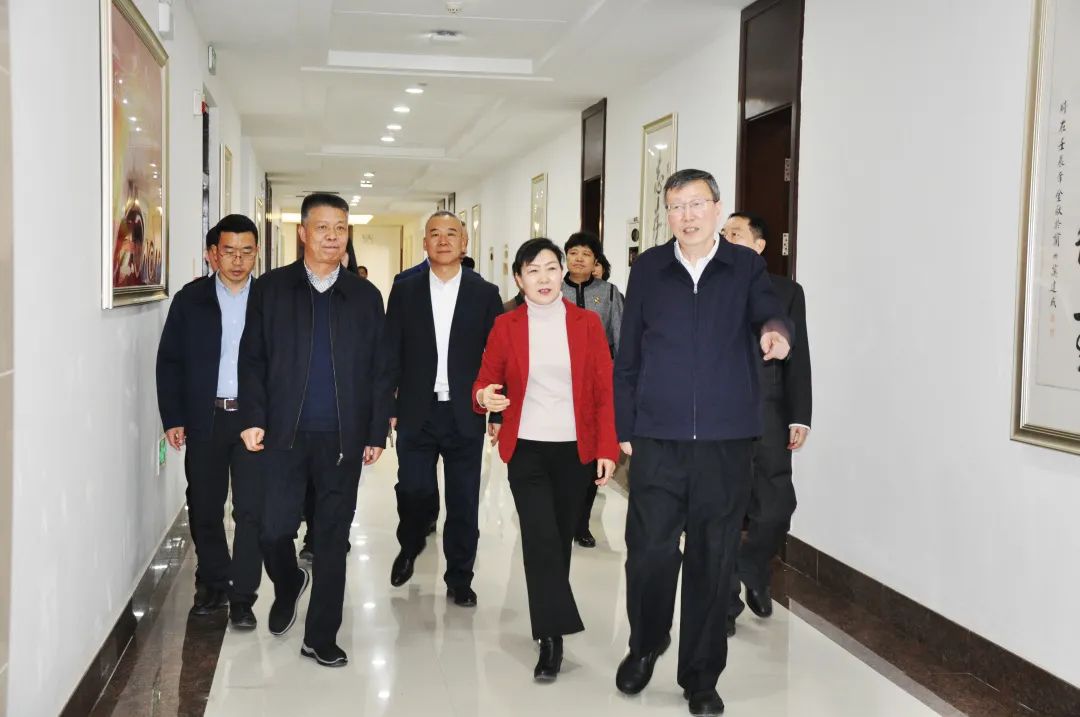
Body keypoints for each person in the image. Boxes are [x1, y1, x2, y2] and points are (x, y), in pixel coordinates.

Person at [613, 169, 792, 717]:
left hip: (725, 441)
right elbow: (629, 352)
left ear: (716, 208)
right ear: (666, 214)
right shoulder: (649, 268)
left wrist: (775, 331)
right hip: (657, 438)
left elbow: (769, 309)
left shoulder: (744, 266)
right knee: (649, 553)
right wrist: (625, 426)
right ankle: (646, 644)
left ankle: (701, 675)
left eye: (696, 204)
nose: (686, 216)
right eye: (675, 206)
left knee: (713, 561)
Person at [238, 193, 387, 668]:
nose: (332, 237)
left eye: (340, 228)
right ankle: (288, 583)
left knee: (332, 540)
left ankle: (321, 636)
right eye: (322, 227)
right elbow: (252, 359)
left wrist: (376, 431)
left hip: (342, 438)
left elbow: (380, 370)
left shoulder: (365, 296)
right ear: (302, 232)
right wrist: (253, 417)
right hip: (284, 434)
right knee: (272, 530)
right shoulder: (271, 289)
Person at [473, 238, 619, 682]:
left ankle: (549, 621)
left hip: (575, 449)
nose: (544, 278)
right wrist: (485, 398)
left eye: (551, 268)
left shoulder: (587, 324)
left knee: (558, 541)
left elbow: (604, 391)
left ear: (563, 274)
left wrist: (607, 449)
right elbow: (484, 383)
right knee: (538, 537)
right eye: (533, 270)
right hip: (527, 448)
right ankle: (552, 636)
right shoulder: (506, 325)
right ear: (519, 279)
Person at [377, 211, 503, 606]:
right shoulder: (405, 289)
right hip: (417, 409)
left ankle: (460, 577)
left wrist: (498, 413)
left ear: (464, 243)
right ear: (425, 243)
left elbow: (498, 357)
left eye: (452, 234)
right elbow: (390, 351)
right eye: (435, 234)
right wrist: (388, 404)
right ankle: (410, 542)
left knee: (464, 500)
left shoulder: (485, 293)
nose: (443, 240)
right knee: (413, 489)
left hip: (466, 411)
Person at [156, 214, 264, 629]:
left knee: (251, 509)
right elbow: (170, 361)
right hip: (206, 418)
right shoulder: (191, 299)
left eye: (246, 252)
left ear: (256, 253)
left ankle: (243, 595)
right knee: (204, 504)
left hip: (254, 419)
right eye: (229, 251)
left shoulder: (269, 299)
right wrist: (173, 417)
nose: (238, 261)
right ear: (212, 254)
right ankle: (214, 582)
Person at [722, 212, 812, 626]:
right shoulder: (708, 286)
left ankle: (754, 565)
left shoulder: (786, 291)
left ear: (759, 246)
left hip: (769, 411)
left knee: (777, 504)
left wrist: (800, 416)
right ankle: (723, 598)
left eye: (735, 233)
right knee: (722, 505)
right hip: (720, 414)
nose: (726, 238)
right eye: (724, 233)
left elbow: (799, 356)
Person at [561, 232, 625, 548]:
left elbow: (622, 339)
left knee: (589, 458)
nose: (579, 258)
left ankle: (581, 523)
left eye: (586, 254)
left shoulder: (609, 294)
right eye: (574, 252)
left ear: (595, 260)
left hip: (596, 386)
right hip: (558, 387)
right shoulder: (553, 290)